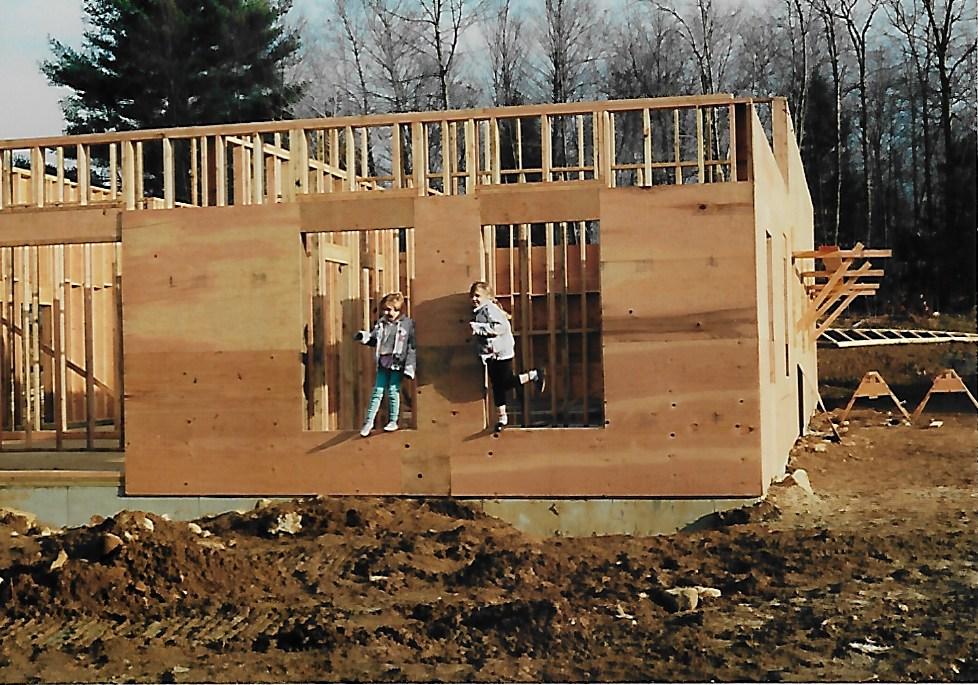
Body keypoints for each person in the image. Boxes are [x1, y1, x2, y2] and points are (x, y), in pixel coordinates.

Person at [468, 281, 545, 431]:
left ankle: (534, 374)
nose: (474, 299)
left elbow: (500, 327)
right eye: (472, 296)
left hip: (502, 352)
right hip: (491, 354)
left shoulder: (490, 309)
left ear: (487, 297)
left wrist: (479, 328)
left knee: (506, 383)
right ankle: (502, 418)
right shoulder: (479, 311)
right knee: (497, 386)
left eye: (477, 295)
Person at [355, 292, 416, 436]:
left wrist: (409, 367)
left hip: (396, 361)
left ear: (398, 310)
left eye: (390, 310)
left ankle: (393, 421)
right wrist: (363, 337)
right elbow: (374, 338)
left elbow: (411, 347)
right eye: (385, 310)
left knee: (393, 390)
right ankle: (368, 422)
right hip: (383, 360)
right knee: (377, 391)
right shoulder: (382, 323)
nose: (387, 313)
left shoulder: (407, 325)